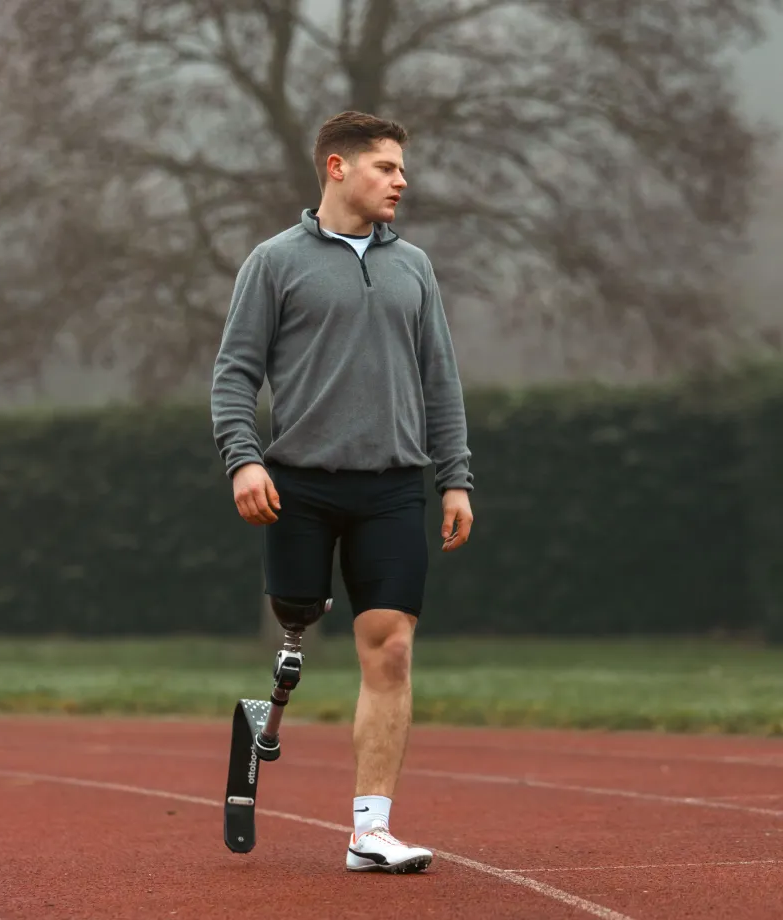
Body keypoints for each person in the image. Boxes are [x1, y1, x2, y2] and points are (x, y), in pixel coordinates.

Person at [210, 110, 473, 874]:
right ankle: (267, 716)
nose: (401, 181)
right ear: (337, 167)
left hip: (393, 487)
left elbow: (441, 381)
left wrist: (455, 477)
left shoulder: (413, 267)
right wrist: (243, 461)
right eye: (386, 167)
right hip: (298, 485)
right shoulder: (274, 262)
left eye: (402, 168)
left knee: (392, 646)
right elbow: (234, 374)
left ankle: (370, 832)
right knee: (296, 624)